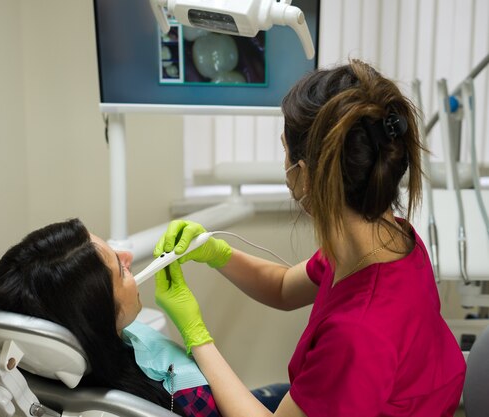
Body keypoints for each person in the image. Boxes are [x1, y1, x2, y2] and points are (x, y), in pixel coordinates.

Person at [153, 59, 466, 417]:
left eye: (284, 149)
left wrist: (196, 336)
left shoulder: (357, 333)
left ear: (302, 174)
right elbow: (285, 287)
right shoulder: (387, 240)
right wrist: (215, 253)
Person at [0, 218, 224, 417]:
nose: (128, 256)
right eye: (120, 270)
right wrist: (198, 336)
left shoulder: (37, 371)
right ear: (100, 318)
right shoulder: (184, 395)